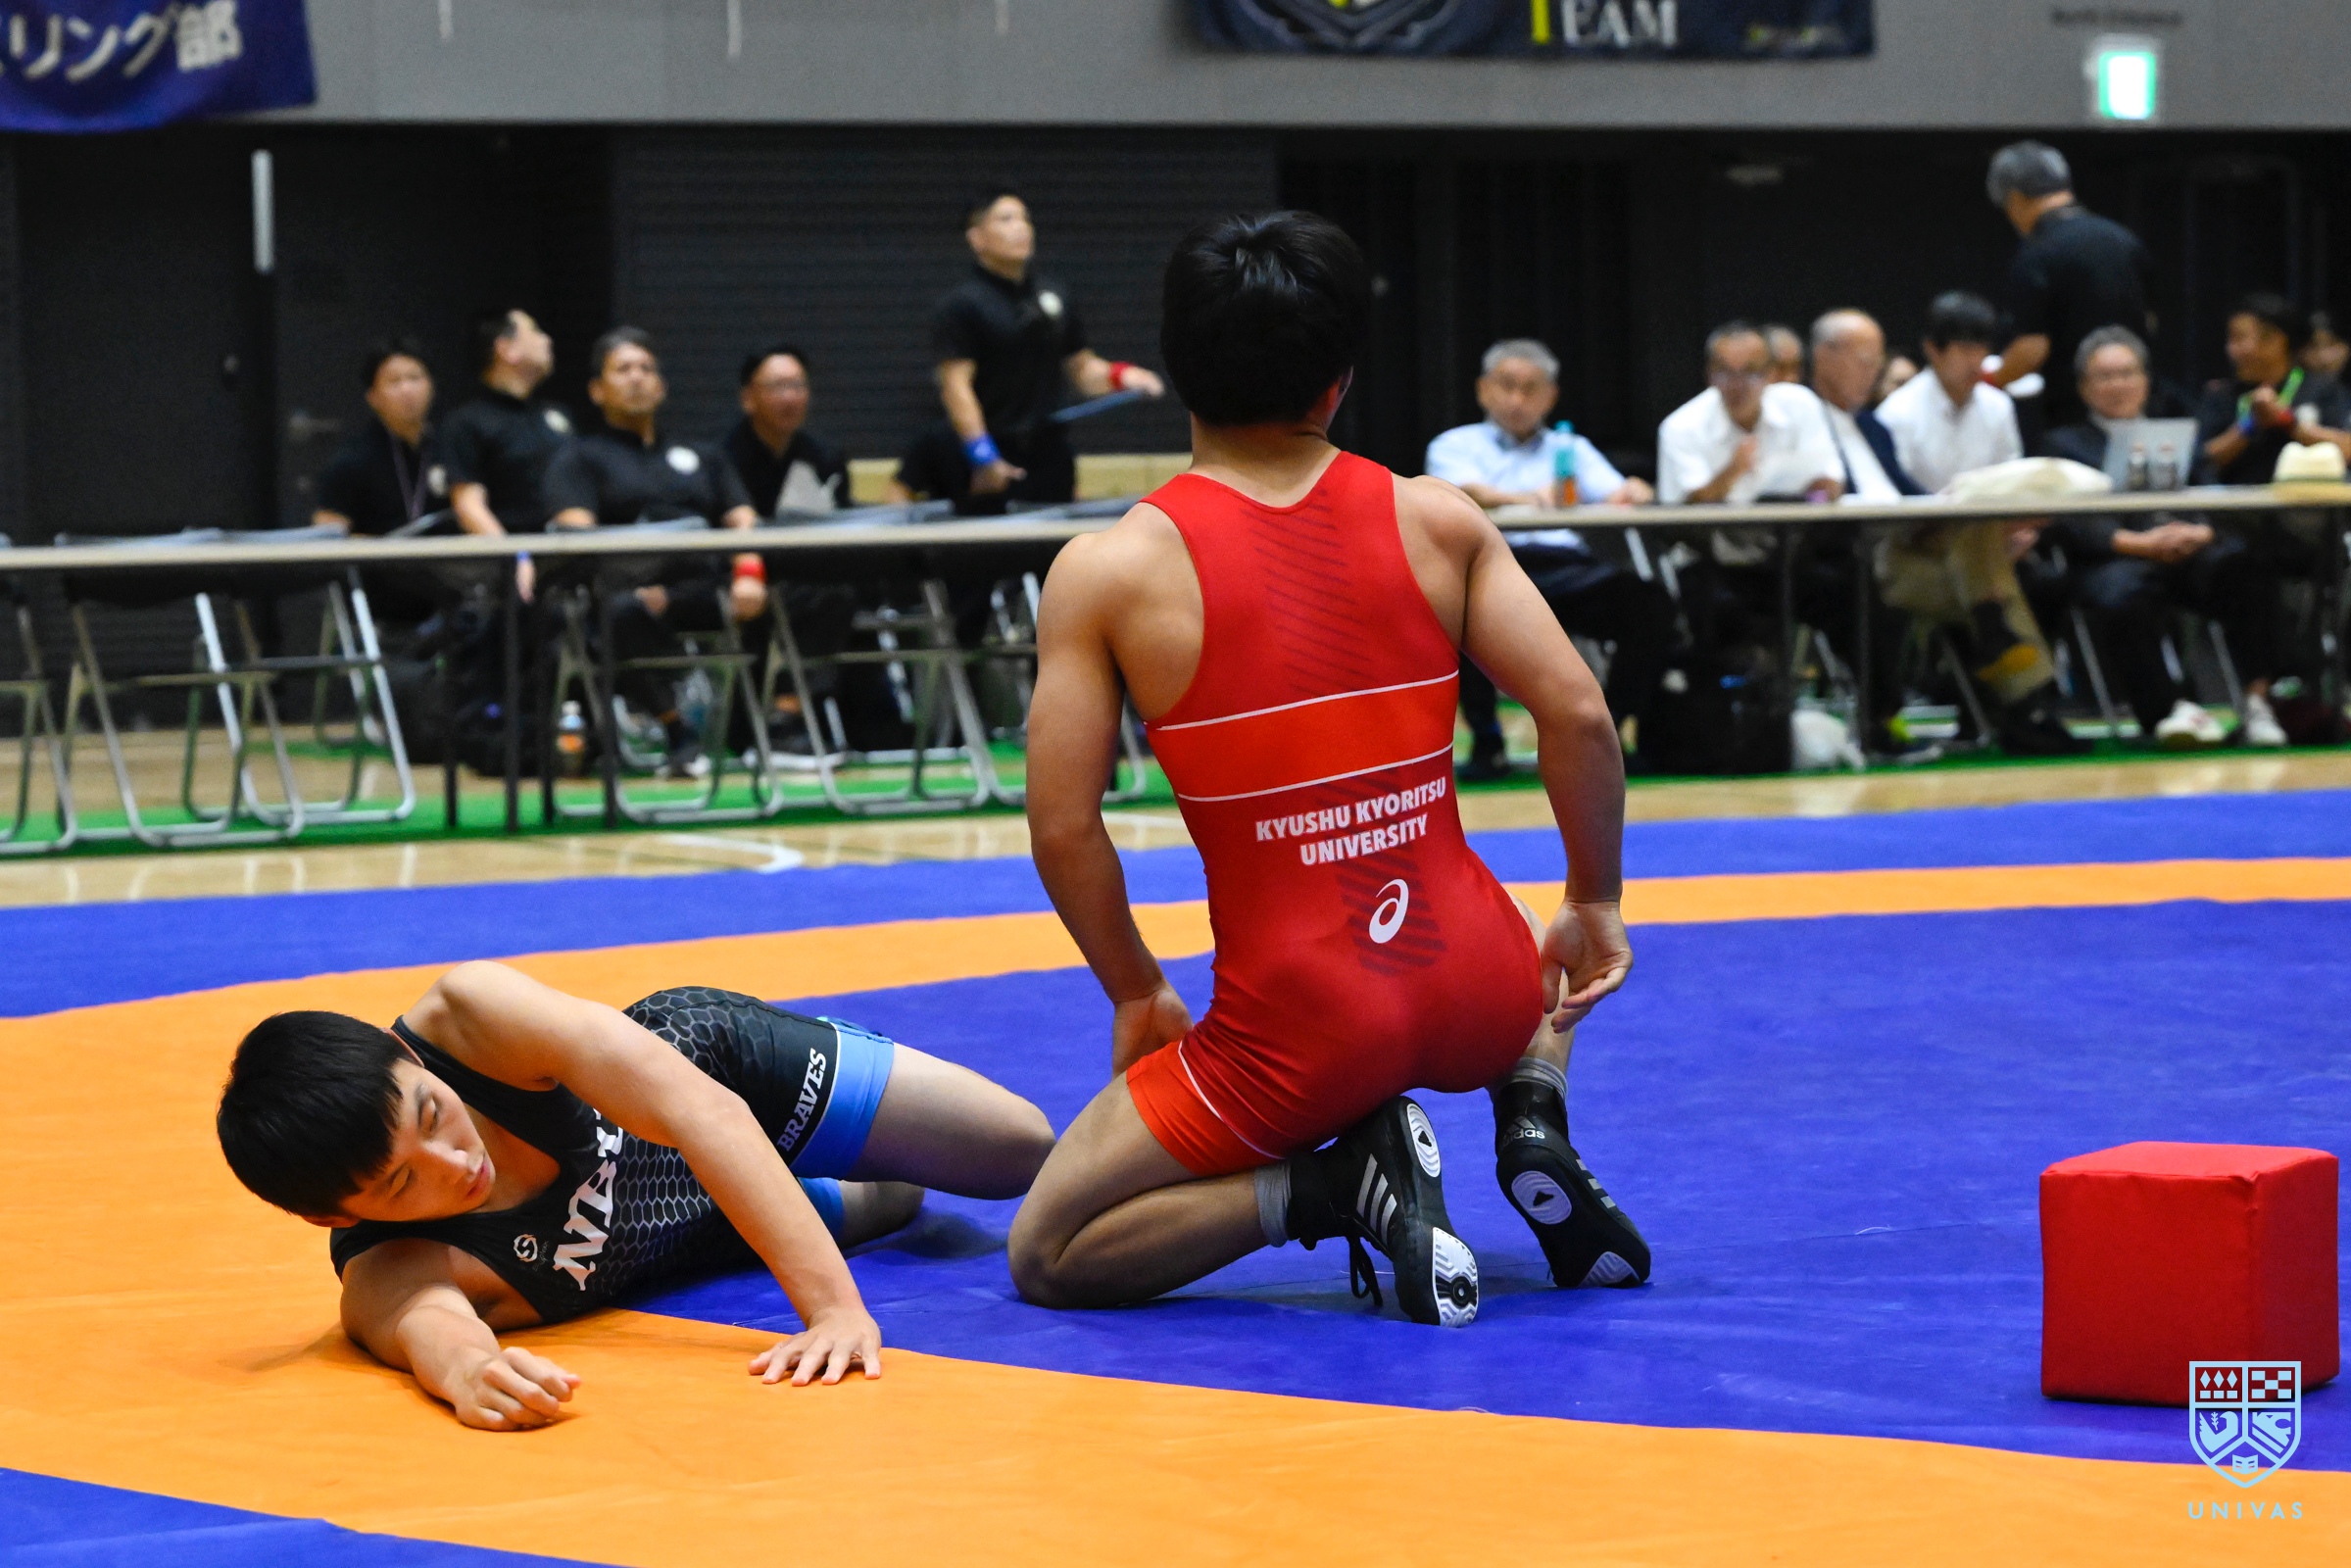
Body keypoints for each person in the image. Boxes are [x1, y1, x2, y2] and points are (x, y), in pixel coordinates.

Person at [1009, 211, 1648, 1330]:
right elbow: (1578, 714)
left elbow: (1064, 826)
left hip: (1295, 1040)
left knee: (1049, 1249)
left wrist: (1136, 989)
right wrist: (1593, 900)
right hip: (1481, 992)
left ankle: (1327, 1185)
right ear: (1340, 377)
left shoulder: (1109, 572)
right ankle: (1531, 1108)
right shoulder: (1437, 519)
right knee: (1551, 951)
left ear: (1174, 369)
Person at [215, 961, 1054, 1431]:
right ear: (338, 1215)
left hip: (719, 1073)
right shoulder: (391, 1269)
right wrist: (474, 1374)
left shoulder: (473, 1016)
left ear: (406, 1057)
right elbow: (436, 1333)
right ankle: (851, 1159)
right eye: (404, 1181)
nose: (454, 1162)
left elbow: (703, 1112)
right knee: (899, 1200)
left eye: (433, 1113)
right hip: (709, 1224)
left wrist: (833, 1311)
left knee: (1014, 1150)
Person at [1424, 338, 1669, 779]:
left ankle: (1608, 731)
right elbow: (1461, 491)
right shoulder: (1454, 445)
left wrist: (1635, 490)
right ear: (1483, 390)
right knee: (1456, 608)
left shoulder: (1570, 447)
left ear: (1551, 396)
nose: (1517, 399)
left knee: (1648, 603)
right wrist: (1530, 498)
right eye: (1507, 385)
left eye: (1531, 388)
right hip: (1493, 569)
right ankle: (1488, 744)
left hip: (1565, 570)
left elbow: (1615, 493)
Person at [2040, 326, 2281, 749]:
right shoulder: (2063, 445)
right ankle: (2166, 713)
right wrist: (2137, 544)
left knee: (2245, 565)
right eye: (2105, 376)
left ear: (2146, 380)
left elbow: (2212, 495)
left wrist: (2202, 531)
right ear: (2083, 387)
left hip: (2188, 550)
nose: (2118, 385)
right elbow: (2067, 522)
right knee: (2120, 593)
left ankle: (2258, 703)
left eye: (2127, 373)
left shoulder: (2181, 435)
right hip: (2115, 558)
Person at [542, 327, 768, 770]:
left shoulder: (704, 457)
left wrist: (749, 574)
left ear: (661, 386)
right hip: (627, 597)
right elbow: (577, 543)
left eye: (646, 369)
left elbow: (744, 521)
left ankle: (780, 724)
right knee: (617, 612)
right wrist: (639, 585)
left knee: (808, 595)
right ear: (597, 390)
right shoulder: (578, 459)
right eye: (622, 369)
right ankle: (676, 724)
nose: (636, 378)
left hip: (706, 592)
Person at [1873, 293, 2084, 757]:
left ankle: (2006, 707)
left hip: (1991, 552)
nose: (1976, 361)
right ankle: (2029, 709)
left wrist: (2020, 529)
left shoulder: (1997, 406)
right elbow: (1894, 517)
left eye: (1982, 348)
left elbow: (2011, 486)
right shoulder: (1897, 414)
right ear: (1933, 350)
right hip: (1911, 560)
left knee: (2024, 574)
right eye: (1964, 349)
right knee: (1986, 579)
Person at [930, 188, 1165, 511]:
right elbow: (956, 387)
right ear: (977, 238)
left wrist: (1123, 376)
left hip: (1050, 454)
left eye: (1025, 219)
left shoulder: (1053, 294)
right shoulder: (962, 305)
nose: (1021, 228)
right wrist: (983, 457)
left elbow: (1082, 369)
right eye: (1006, 219)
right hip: (993, 457)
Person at [1804, 310, 1929, 755]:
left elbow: (1909, 491)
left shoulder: (1874, 425)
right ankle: (1882, 719)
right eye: (1864, 358)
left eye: (1878, 359)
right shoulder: (1801, 421)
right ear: (1824, 357)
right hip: (1842, 555)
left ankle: (2008, 708)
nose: (1874, 370)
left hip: (1905, 549)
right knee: (1862, 593)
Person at [1984, 140, 2155, 434]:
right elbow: (2151, 321)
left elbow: (2032, 347)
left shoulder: (2036, 254)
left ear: (2015, 199)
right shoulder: (2124, 240)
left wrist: (1989, 382)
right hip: (2137, 411)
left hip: (2074, 419)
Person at [311, 338, 449, 626]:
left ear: (431, 386)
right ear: (373, 397)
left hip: (446, 585)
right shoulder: (353, 459)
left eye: (415, 378)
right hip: (378, 590)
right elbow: (326, 537)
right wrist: (390, 551)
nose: (407, 389)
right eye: (394, 382)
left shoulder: (449, 451)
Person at [440, 310, 572, 602]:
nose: (547, 340)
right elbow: (469, 506)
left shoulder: (557, 417)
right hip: (509, 569)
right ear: (507, 349)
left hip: (566, 556)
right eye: (535, 331)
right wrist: (515, 557)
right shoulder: (467, 423)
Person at [1656, 321, 1843, 506]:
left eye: (1750, 372)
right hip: (1716, 527)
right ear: (1709, 375)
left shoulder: (1801, 405)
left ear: (1771, 374)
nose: (1737, 385)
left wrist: (1813, 497)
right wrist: (1733, 471)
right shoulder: (1681, 427)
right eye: (1725, 372)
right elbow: (1683, 512)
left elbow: (1831, 483)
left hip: (1798, 523)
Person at [2195, 293, 2351, 485]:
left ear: (2276, 340)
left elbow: (2346, 449)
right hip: (2235, 501)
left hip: (2306, 501)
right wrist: (2250, 425)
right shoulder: (2221, 394)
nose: (2232, 349)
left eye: (2239, 338)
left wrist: (2288, 422)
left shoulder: (2322, 389)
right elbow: (2200, 461)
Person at [723, 344, 849, 517]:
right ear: (748, 398)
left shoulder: (826, 458)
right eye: (777, 386)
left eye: (797, 385)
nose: (789, 398)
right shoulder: (724, 462)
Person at [2303, 310, 2348, 381]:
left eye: (2323, 331)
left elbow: (2334, 369)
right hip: (2312, 380)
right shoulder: (2308, 350)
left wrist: (2323, 360)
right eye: (2317, 331)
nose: (2320, 335)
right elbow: (2308, 362)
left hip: (2336, 382)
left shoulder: (2342, 348)